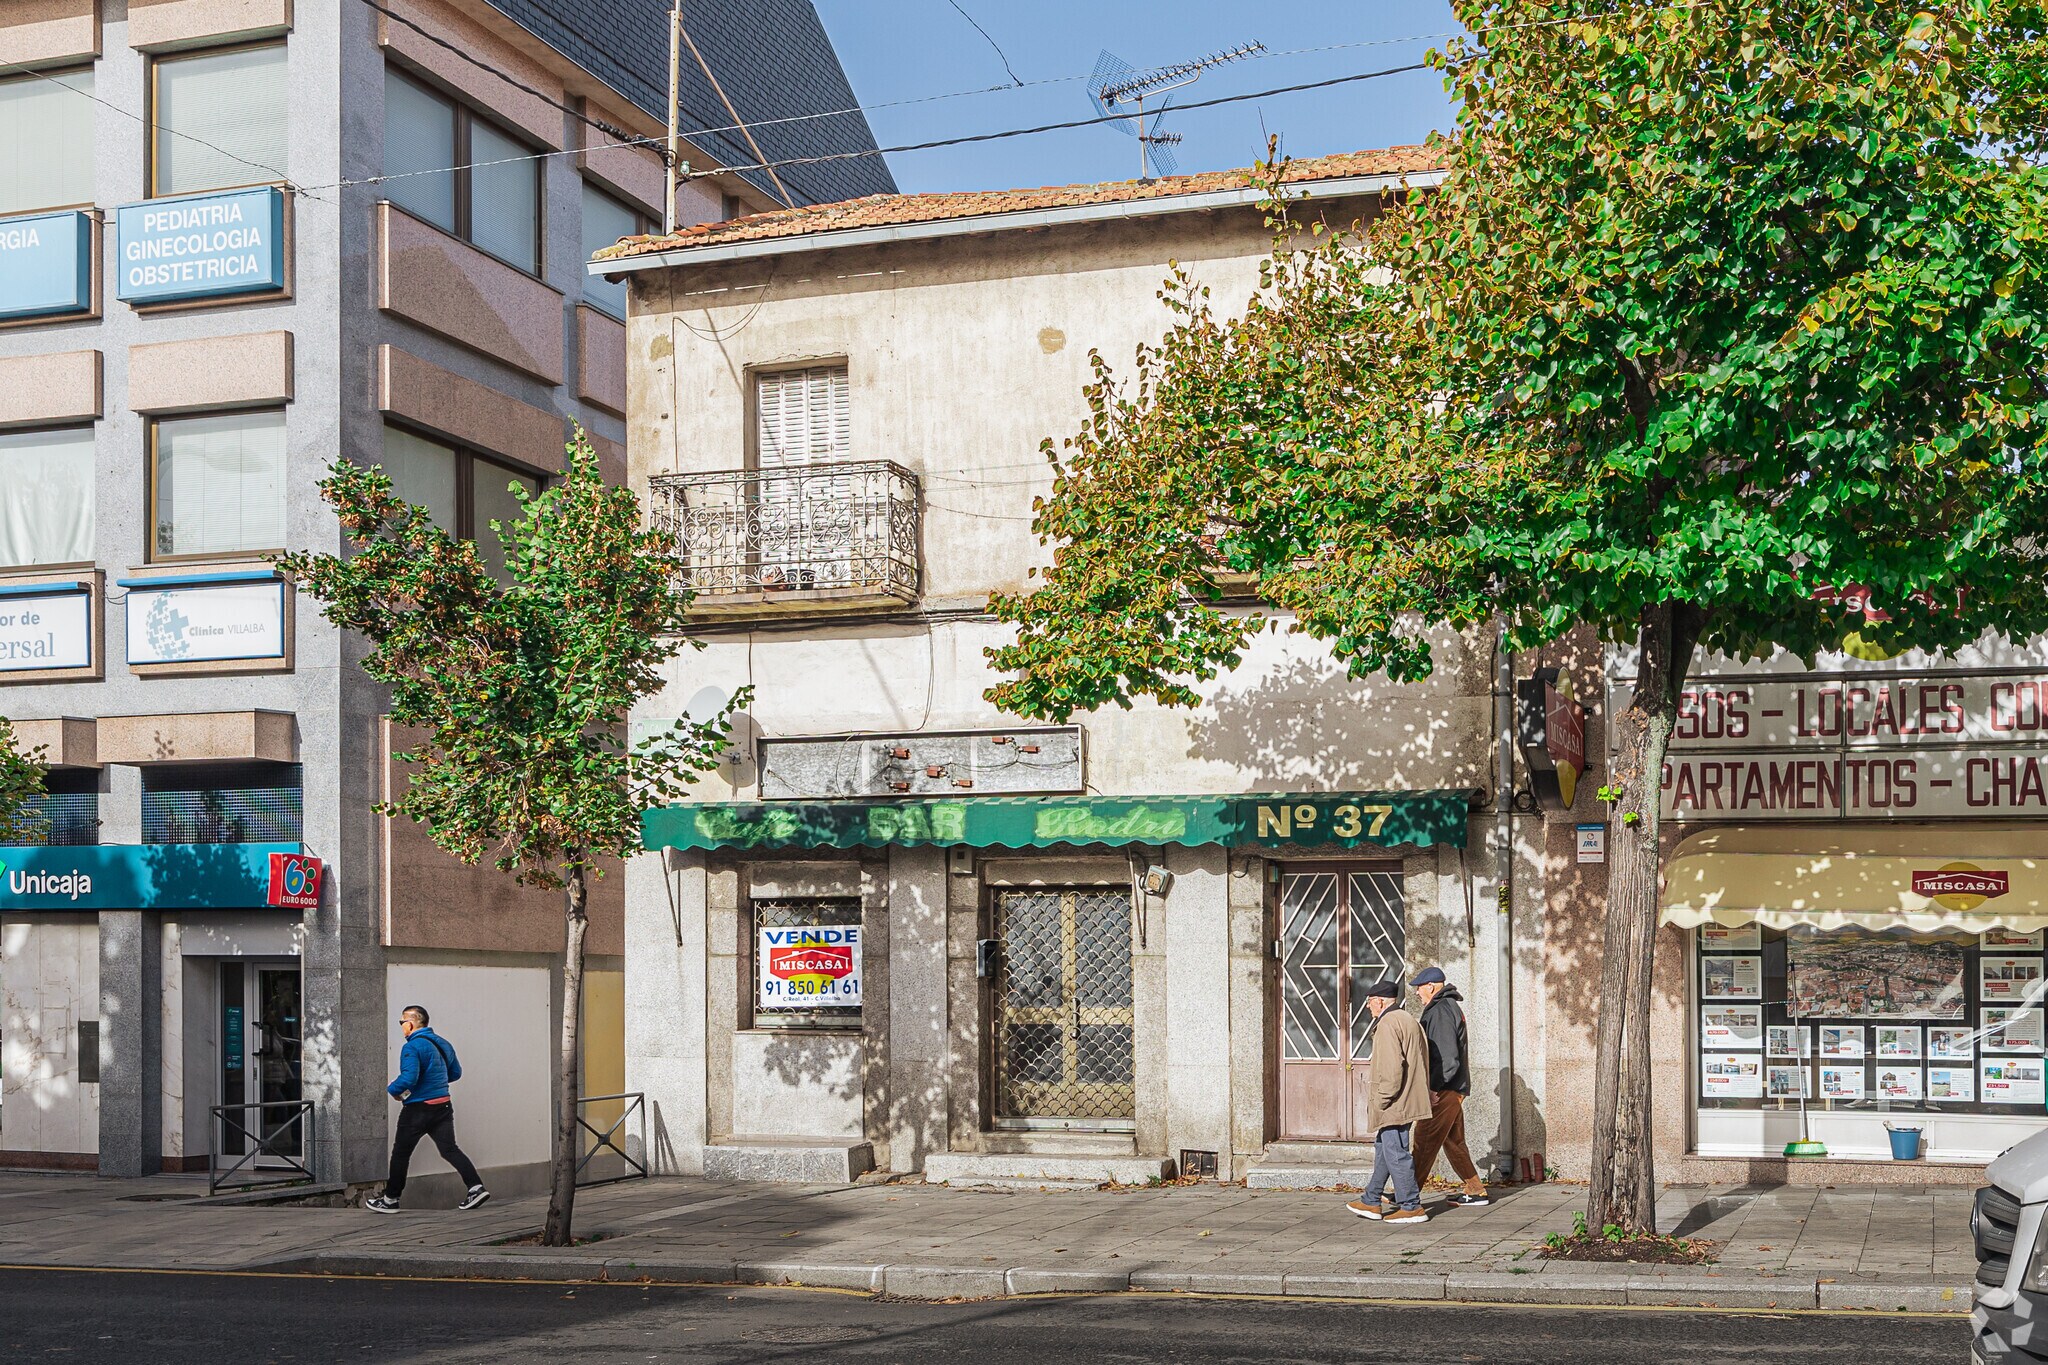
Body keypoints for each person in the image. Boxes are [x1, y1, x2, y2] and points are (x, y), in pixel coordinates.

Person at [364, 1005, 490, 1213]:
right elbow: (455, 1073)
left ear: (411, 1023)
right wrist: (434, 1081)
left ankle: (390, 1199)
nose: (402, 1026)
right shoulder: (442, 1043)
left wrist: (392, 1089)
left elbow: (409, 1078)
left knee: (401, 1154)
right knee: (450, 1149)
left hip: (418, 1109)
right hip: (443, 1106)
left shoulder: (412, 1047)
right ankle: (476, 1188)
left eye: (402, 1022)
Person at [1347, 978, 1434, 1225]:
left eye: (1369, 1002)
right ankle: (1371, 1199)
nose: (1367, 1007)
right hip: (1407, 1096)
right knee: (1385, 1148)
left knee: (1396, 1152)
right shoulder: (1408, 1020)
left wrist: (1382, 1100)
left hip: (1395, 1100)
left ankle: (1411, 1206)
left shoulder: (1387, 1023)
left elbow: (1392, 1069)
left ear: (1379, 1001)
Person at [1408, 966, 1490, 1207]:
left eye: (1418, 988)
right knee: (1453, 1140)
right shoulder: (1446, 1007)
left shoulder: (1441, 1010)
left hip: (1445, 1088)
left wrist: (1434, 1088)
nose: (1416, 993)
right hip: (1453, 1087)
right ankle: (1475, 1190)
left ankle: (1407, 1193)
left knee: (1424, 1139)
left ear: (1431, 987)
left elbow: (1446, 1056)